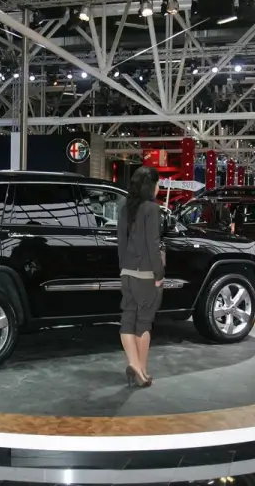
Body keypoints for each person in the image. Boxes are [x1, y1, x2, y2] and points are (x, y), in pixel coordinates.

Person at [117, 166, 163, 388]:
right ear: (150, 185)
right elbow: (153, 244)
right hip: (145, 273)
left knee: (128, 319)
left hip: (126, 273)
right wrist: (159, 273)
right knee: (144, 323)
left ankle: (134, 365)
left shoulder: (125, 208)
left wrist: (123, 269)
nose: (159, 186)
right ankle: (141, 370)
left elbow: (121, 244)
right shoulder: (151, 209)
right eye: (157, 182)